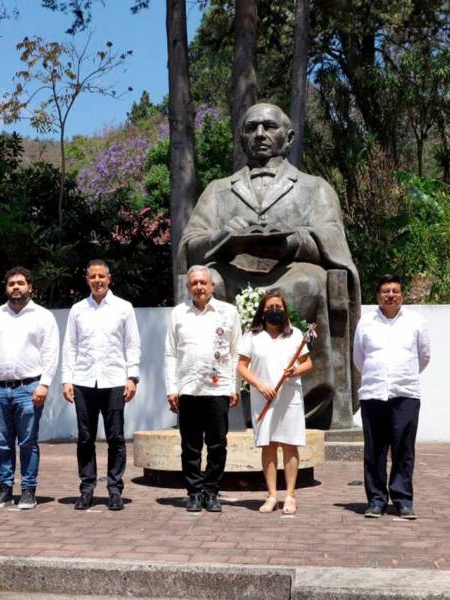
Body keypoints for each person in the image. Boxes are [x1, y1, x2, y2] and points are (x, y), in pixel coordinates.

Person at [177, 102, 361, 429]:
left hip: (293, 271)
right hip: (234, 273)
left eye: (269, 127)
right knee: (210, 285)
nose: (260, 134)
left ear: (288, 138)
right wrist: (224, 235)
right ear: (241, 138)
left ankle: (304, 405)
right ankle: (218, 400)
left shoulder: (314, 187)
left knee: (310, 285)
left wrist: (293, 241)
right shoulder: (218, 191)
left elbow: (333, 237)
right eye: (251, 128)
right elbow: (191, 243)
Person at [0, 266, 60, 510]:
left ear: (30, 286)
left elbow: (51, 353)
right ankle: (3, 490)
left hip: (29, 388)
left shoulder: (42, 316)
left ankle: (28, 491)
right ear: (6, 288)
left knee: (28, 443)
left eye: (20, 283)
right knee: (2, 443)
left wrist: (44, 384)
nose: (16, 287)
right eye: (11, 283)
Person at [62, 259, 141, 511]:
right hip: (84, 381)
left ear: (109, 278)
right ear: (87, 279)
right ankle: (87, 489)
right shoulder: (78, 310)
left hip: (115, 380)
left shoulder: (123, 308)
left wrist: (132, 377)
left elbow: (132, 344)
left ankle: (115, 489)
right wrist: (67, 379)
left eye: (101, 276)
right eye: (92, 276)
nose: (97, 280)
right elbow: (70, 347)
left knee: (116, 437)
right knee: (85, 437)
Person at [352, 274, 431, 520]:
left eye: (395, 291)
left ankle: (403, 500)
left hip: (405, 394)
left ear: (402, 295)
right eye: (386, 291)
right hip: (373, 394)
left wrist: (402, 375)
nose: (391, 295)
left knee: (403, 449)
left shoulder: (416, 322)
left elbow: (424, 356)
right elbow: (359, 358)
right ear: (377, 296)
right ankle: (376, 500)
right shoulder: (366, 323)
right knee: (374, 450)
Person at [164, 265, 241, 512]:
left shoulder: (228, 312)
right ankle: (194, 492)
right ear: (188, 288)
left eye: (203, 283)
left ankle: (212, 492)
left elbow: (236, 351)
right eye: (194, 283)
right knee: (190, 445)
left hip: (217, 389)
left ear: (212, 286)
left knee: (218, 444)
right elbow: (170, 354)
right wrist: (171, 388)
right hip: (188, 389)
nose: (199, 287)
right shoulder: (178, 314)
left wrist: (234, 386)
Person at [236, 290, 313, 515]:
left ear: (285, 310)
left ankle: (290, 495)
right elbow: (241, 366)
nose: (275, 311)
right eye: (270, 307)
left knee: (290, 444)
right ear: (262, 311)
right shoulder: (251, 336)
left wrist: (295, 370)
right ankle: (271, 496)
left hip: (289, 398)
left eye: (279, 307)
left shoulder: (296, 334)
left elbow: (307, 363)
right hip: (263, 398)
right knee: (268, 445)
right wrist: (259, 385)